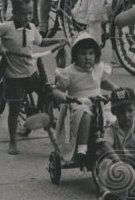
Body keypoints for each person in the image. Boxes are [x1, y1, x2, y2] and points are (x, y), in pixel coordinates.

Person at [0, 0, 63, 154]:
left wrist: (58, 41)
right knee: (14, 109)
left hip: (31, 72)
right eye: (23, 14)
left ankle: (42, 117)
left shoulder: (32, 28)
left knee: (47, 92)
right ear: (14, 13)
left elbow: (41, 42)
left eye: (30, 13)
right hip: (14, 77)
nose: (27, 17)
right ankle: (13, 141)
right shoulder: (6, 27)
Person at [50, 31, 116, 165]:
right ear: (75, 56)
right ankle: (82, 146)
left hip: (98, 103)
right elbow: (58, 91)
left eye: (91, 53)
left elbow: (103, 82)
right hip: (76, 104)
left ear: (96, 54)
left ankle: (112, 144)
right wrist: (65, 97)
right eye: (83, 54)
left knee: (114, 118)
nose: (87, 58)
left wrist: (117, 89)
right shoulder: (69, 72)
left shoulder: (98, 69)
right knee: (85, 113)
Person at [102, 87, 135, 180]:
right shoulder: (111, 129)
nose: (126, 115)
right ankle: (104, 191)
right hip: (119, 167)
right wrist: (119, 162)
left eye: (130, 110)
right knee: (105, 163)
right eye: (121, 111)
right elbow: (106, 145)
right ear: (113, 112)